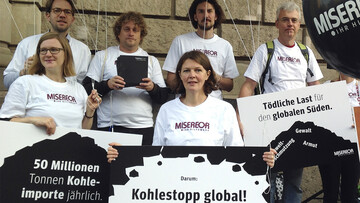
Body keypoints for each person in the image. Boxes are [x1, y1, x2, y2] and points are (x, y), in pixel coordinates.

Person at [107, 51, 276, 168]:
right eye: (186, 70)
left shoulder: (224, 110)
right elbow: (155, 154)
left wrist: (263, 158)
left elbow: (238, 153)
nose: (192, 75)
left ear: (208, 74)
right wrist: (123, 154)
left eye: (198, 70)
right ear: (179, 74)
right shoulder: (166, 110)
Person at [237, 2, 323, 203]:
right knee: (269, 179)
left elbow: (317, 89)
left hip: (299, 129)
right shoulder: (266, 50)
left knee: (294, 182)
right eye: (285, 20)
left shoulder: (306, 53)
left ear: (299, 24)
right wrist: (240, 118)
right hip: (271, 127)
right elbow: (248, 86)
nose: (289, 24)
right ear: (277, 23)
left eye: (293, 20)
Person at [83, 11, 167, 145]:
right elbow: (86, 89)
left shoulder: (151, 60)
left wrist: (152, 88)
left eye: (135, 30)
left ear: (141, 35)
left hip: (143, 127)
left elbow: (163, 97)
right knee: (109, 166)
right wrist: (108, 85)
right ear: (118, 33)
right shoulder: (103, 56)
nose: (131, 33)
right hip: (109, 126)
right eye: (126, 29)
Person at [0, 32, 101, 135]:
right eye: (43, 50)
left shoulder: (78, 89)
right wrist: (33, 120)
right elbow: (5, 122)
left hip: (70, 149)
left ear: (66, 54)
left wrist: (89, 111)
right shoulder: (24, 83)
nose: (48, 54)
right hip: (36, 150)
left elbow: (82, 131)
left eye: (54, 50)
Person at [3, 0, 91, 89]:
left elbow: (83, 88)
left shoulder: (83, 50)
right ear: (48, 15)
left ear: (72, 19)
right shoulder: (27, 44)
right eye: (57, 10)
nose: (62, 15)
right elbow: (7, 81)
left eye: (67, 12)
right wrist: (23, 73)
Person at [163, 0, 239, 99]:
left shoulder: (225, 45)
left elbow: (229, 86)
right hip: (186, 105)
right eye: (201, 11)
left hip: (214, 107)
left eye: (210, 11)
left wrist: (216, 78)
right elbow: (171, 80)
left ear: (216, 16)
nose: (206, 15)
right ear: (195, 16)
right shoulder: (180, 41)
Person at [318, 71, 360, 203]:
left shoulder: (359, 88)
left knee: (350, 195)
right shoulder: (327, 87)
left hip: (354, 148)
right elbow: (318, 118)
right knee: (330, 194)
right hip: (330, 148)